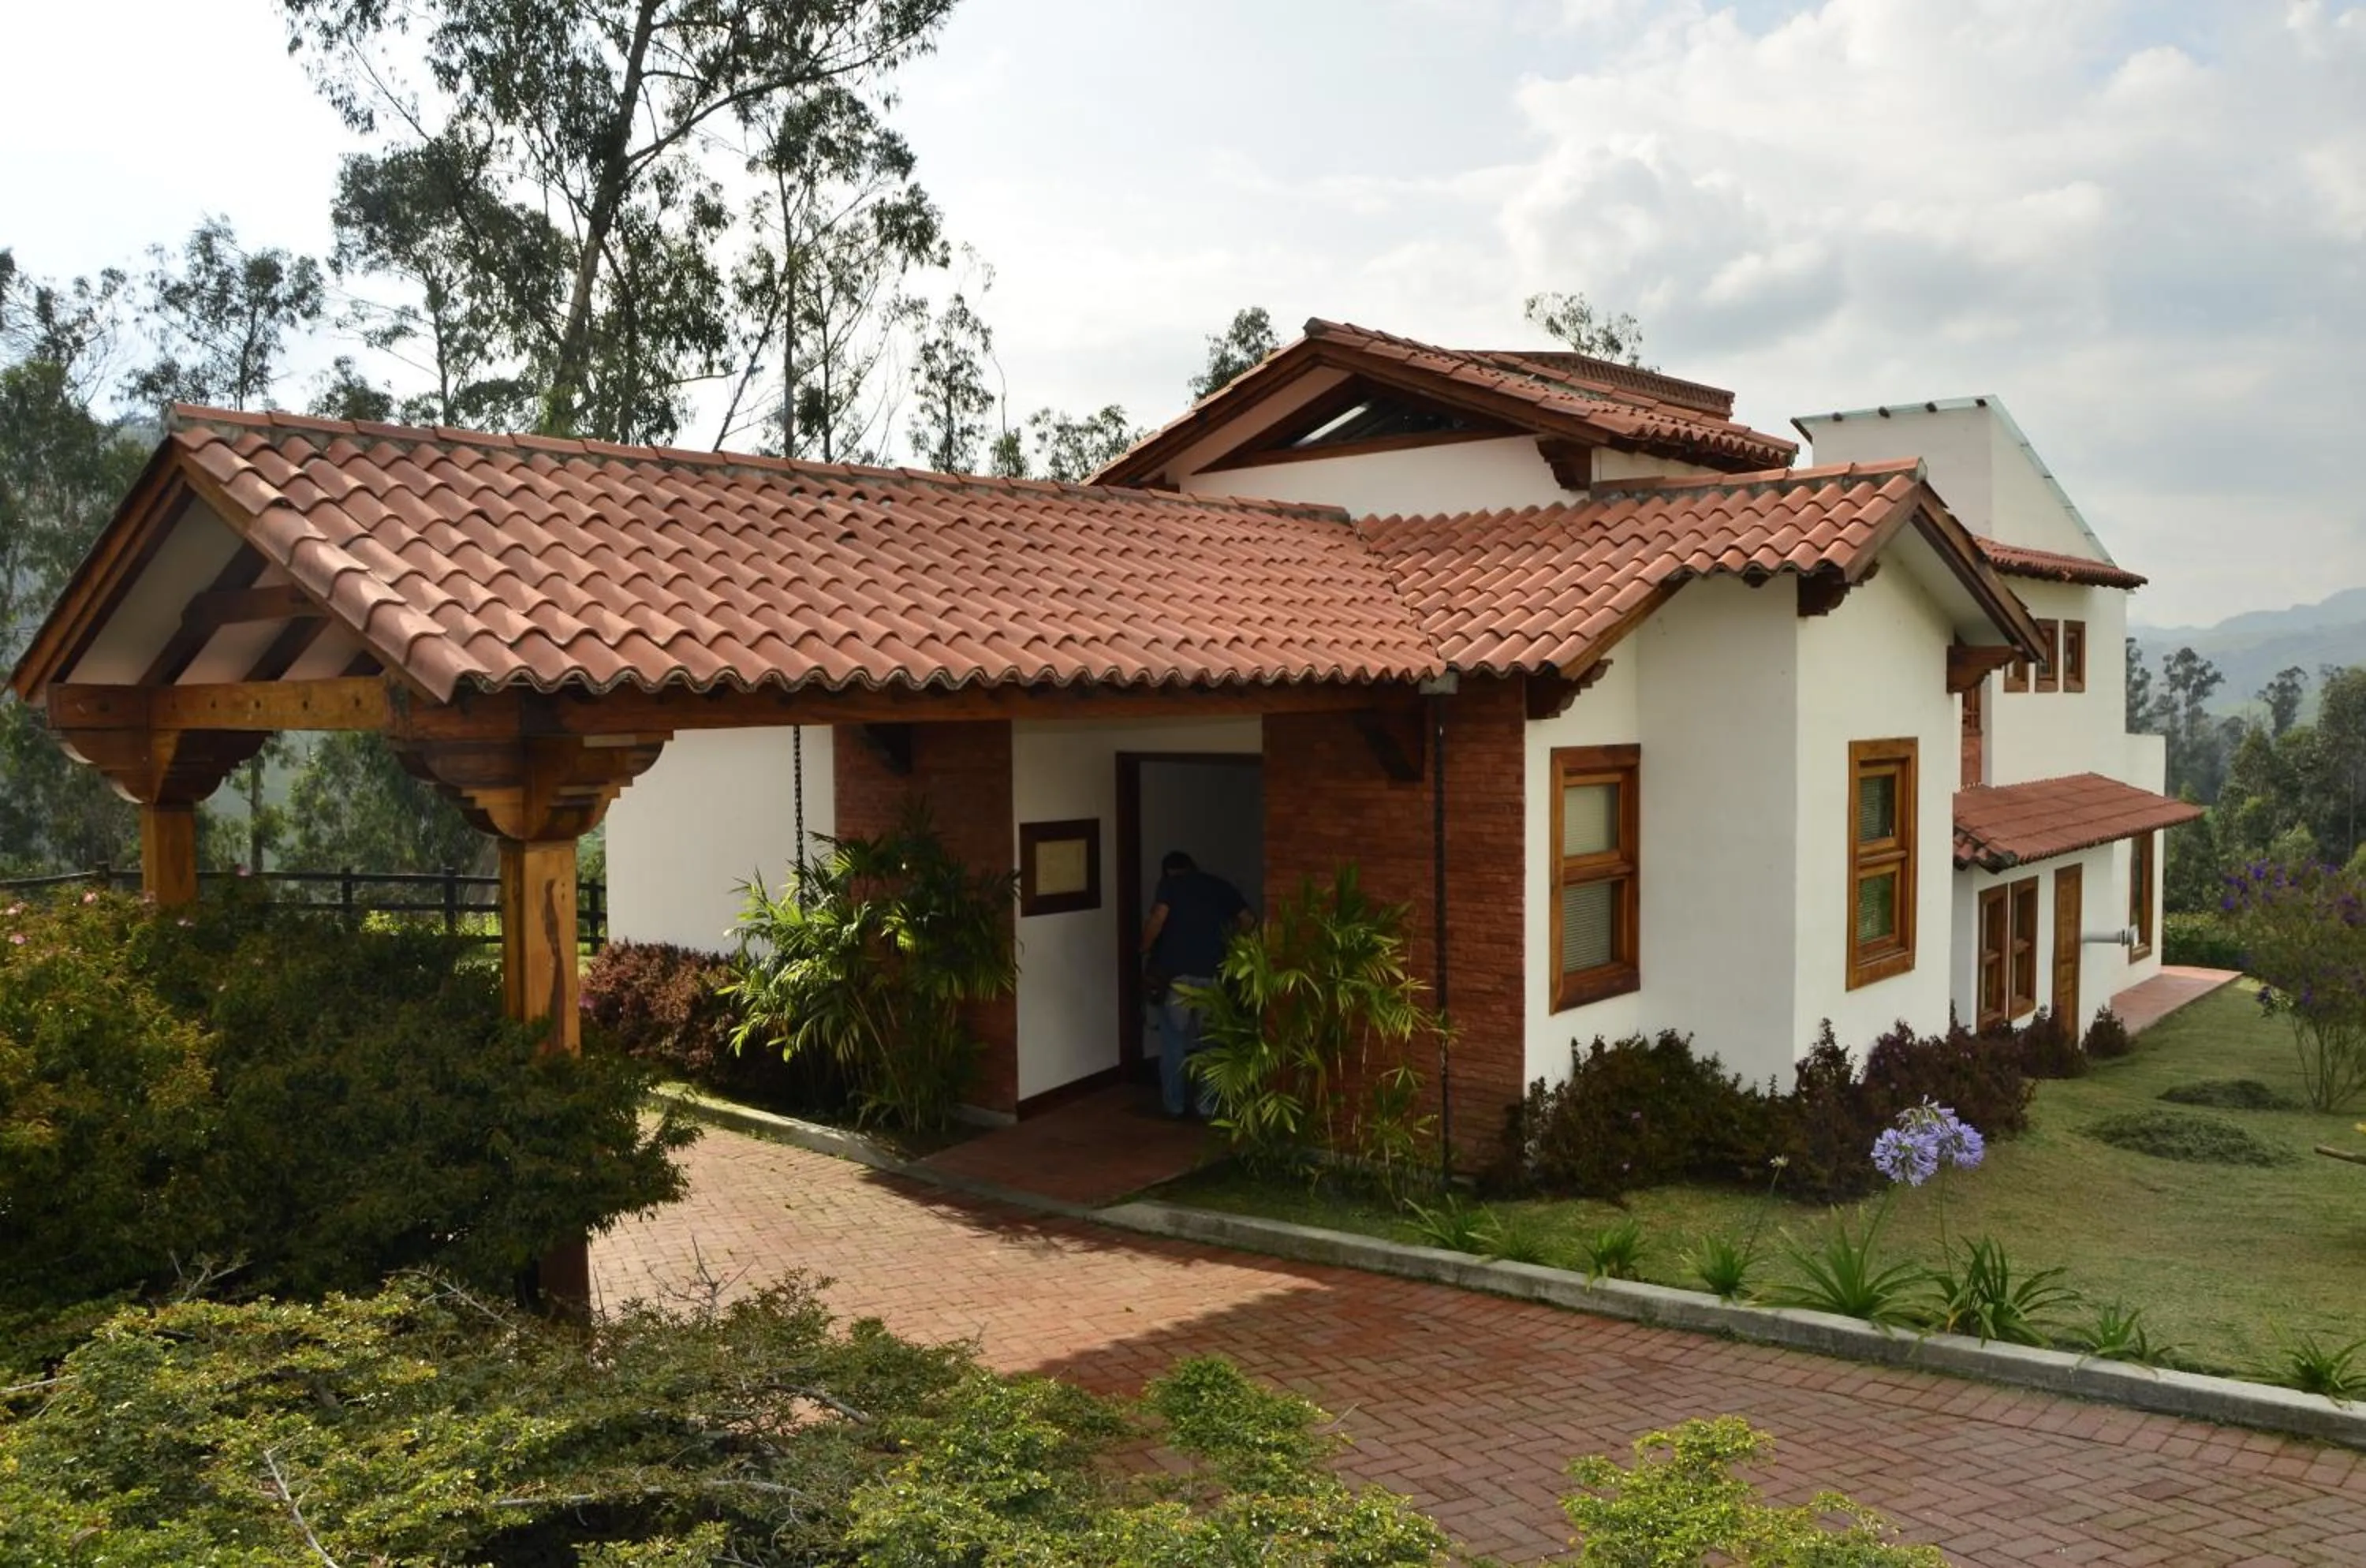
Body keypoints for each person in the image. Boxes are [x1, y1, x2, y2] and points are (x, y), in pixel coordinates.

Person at [1139, 849, 1253, 1118]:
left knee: (1173, 1043)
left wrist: (1144, 947)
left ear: (1168, 871)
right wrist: (1233, 948)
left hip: (1176, 978)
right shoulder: (1220, 887)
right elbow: (1248, 920)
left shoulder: (1169, 886)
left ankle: (1175, 1105)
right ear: (1194, 867)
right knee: (1211, 1043)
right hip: (1213, 976)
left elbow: (1158, 918)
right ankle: (1207, 1105)